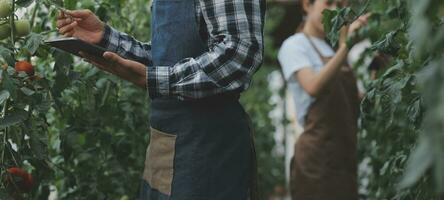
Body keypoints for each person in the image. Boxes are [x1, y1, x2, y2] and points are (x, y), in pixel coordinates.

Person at [56, 0, 265, 199]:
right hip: (165, 138)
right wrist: (105, 38)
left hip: (206, 145)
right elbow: (168, 60)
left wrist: (152, 78)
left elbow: (239, 53)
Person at [277, 0, 369, 199]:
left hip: (344, 159)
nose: (334, 10)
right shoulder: (294, 45)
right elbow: (313, 86)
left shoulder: (331, 50)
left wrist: (376, 73)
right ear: (307, 5)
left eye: (340, 5)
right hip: (316, 163)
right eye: (328, 3)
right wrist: (346, 47)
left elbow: (351, 102)